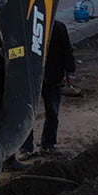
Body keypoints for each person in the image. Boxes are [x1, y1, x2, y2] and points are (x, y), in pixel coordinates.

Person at [21, 18, 75, 155]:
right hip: (31, 77)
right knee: (28, 114)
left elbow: (67, 50)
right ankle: (26, 148)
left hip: (53, 76)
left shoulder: (58, 28)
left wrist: (70, 71)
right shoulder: (27, 28)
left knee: (53, 113)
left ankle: (48, 144)